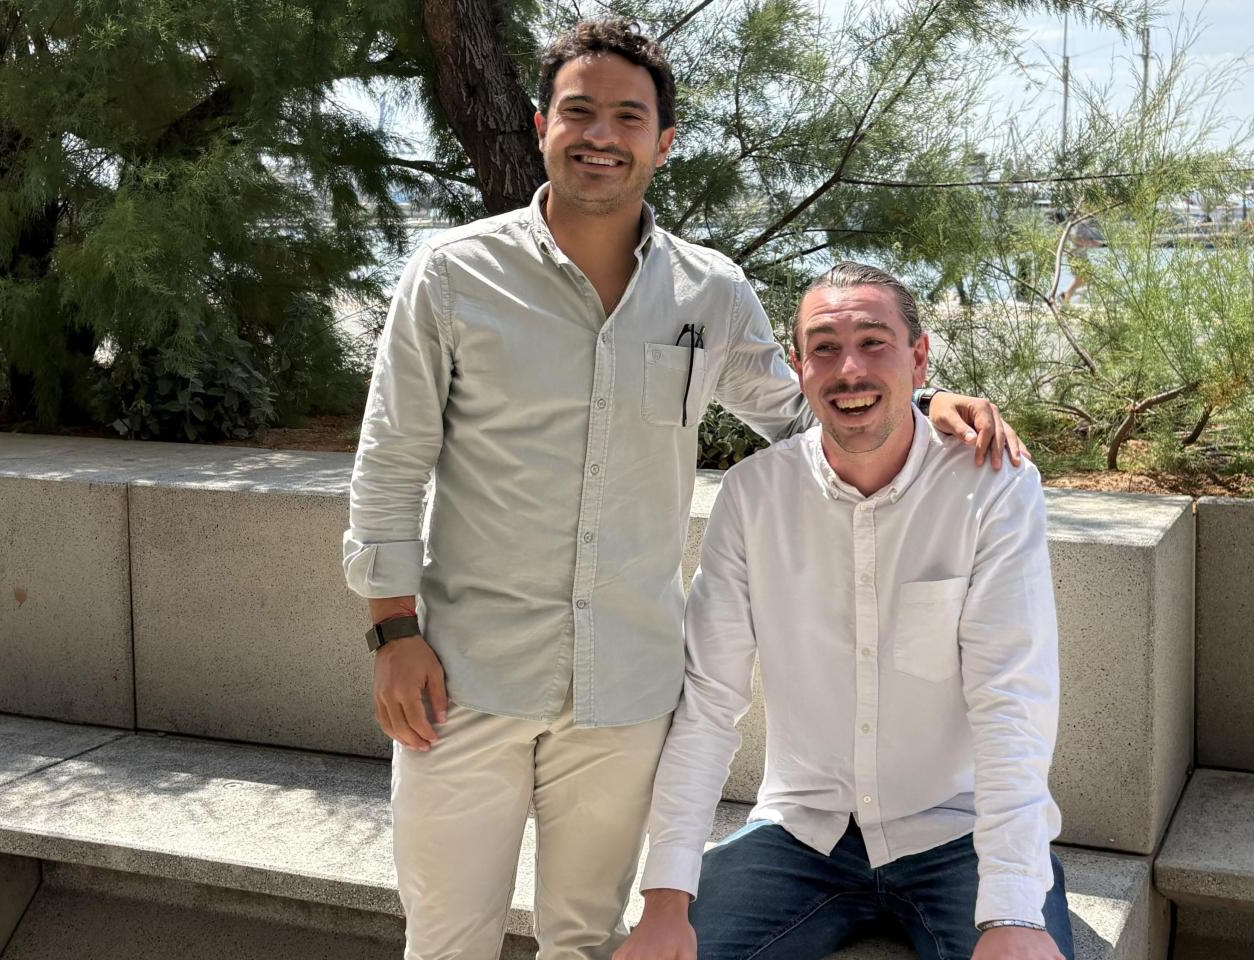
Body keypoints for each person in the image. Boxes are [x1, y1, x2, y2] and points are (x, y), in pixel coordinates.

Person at [342, 20, 1027, 960]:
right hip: (463, 677)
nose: (602, 135)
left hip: (627, 692)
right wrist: (392, 631)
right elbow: (390, 458)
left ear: (663, 142)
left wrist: (924, 399)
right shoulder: (453, 275)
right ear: (541, 126)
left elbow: (802, 414)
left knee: (587, 940)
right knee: (446, 941)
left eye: (629, 117)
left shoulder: (710, 292)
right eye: (579, 112)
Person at [615, 261, 1070, 960]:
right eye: (824, 348)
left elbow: (1013, 696)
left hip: (962, 832)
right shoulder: (753, 497)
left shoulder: (991, 486)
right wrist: (666, 897)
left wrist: (1013, 907)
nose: (848, 369)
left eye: (874, 342)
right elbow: (708, 703)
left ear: (919, 359)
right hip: (802, 834)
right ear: (798, 368)